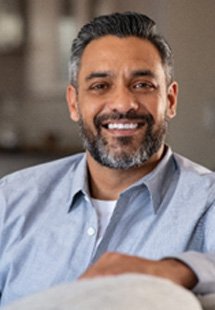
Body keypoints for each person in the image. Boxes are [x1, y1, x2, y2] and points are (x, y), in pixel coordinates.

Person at [0, 11, 215, 307]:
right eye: (100, 86)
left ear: (171, 100)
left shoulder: (208, 201)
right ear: (74, 103)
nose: (123, 104)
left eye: (142, 84)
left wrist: (177, 269)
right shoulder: (9, 201)